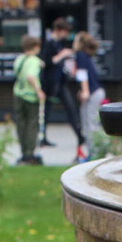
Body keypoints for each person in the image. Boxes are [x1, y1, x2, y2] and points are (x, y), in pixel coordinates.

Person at [38, 19, 80, 149]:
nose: (66, 35)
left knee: (71, 108)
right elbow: (45, 62)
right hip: (50, 83)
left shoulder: (56, 43)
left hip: (59, 81)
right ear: (58, 30)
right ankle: (42, 137)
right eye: (64, 32)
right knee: (46, 111)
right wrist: (62, 55)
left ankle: (80, 135)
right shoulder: (49, 43)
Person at [12, 35, 44, 165]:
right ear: (35, 47)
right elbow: (31, 76)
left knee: (21, 125)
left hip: (18, 95)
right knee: (32, 124)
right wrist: (39, 91)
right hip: (31, 97)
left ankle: (23, 151)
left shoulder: (19, 59)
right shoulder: (34, 61)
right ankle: (30, 154)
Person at [73, 31, 104, 162]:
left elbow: (82, 74)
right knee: (89, 123)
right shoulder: (86, 56)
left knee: (90, 124)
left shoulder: (80, 55)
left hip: (92, 93)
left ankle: (95, 154)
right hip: (96, 92)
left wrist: (85, 91)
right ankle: (93, 152)